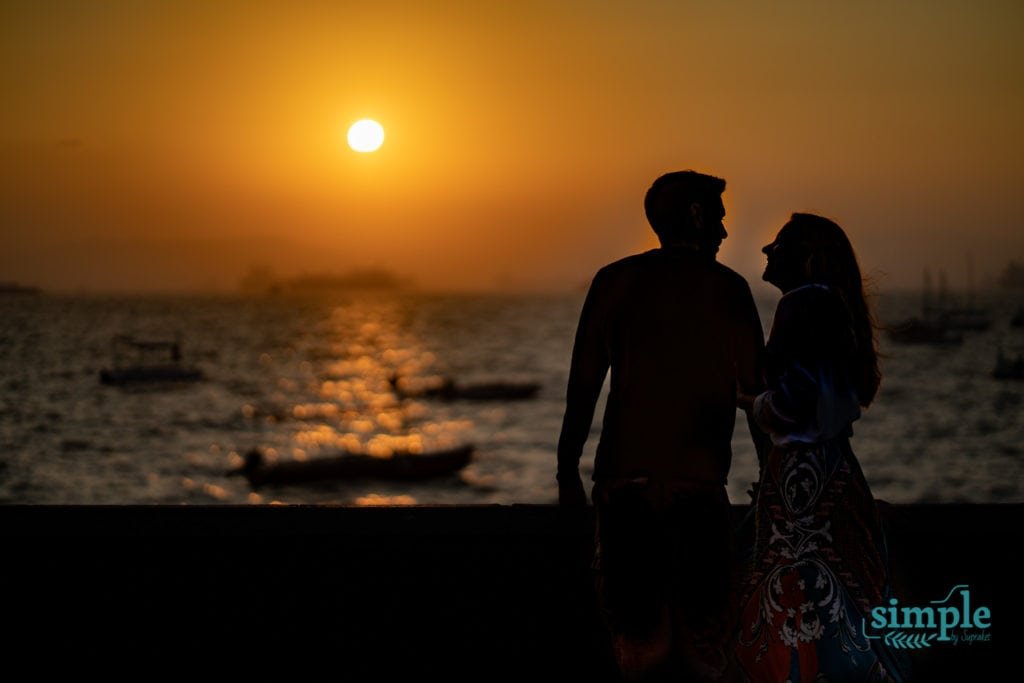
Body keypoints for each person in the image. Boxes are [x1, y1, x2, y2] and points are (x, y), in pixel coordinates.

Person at [556, 170, 768, 681]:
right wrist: (776, 486)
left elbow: (583, 387)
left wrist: (567, 474)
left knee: (638, 647)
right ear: (695, 216)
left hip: (624, 485)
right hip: (698, 485)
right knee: (705, 650)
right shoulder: (729, 291)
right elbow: (762, 402)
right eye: (717, 218)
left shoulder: (614, 281)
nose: (722, 231)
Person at [734, 213, 909, 682]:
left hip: (802, 483)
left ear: (807, 258)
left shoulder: (801, 304)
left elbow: (796, 405)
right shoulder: (834, 306)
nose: (767, 251)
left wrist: (751, 402)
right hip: (834, 474)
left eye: (779, 244)